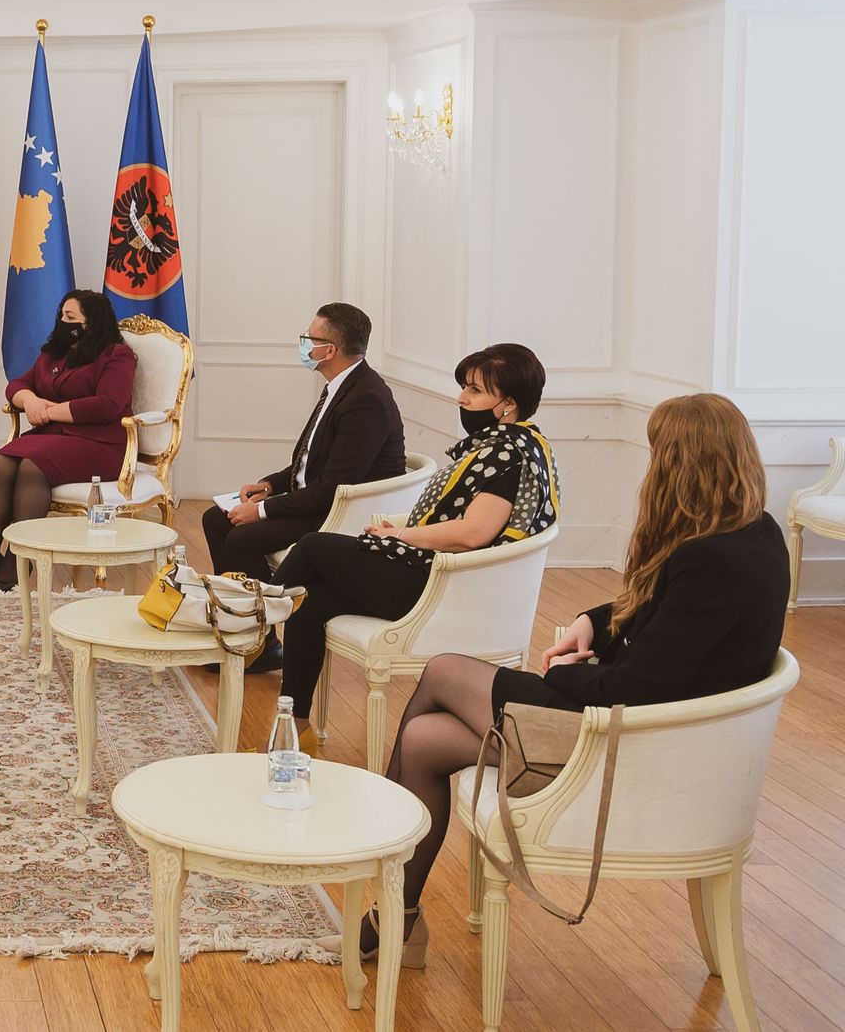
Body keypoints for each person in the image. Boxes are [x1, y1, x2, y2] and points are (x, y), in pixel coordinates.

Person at [326, 392, 786, 967]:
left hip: (630, 741)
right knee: (423, 740)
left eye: (656, 455)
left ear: (681, 464)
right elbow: (668, 619)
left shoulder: (713, 560)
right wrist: (591, 620)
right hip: (639, 725)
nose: (650, 469)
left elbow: (636, 687)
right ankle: (394, 915)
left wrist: (563, 674)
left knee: (443, 670)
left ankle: (380, 867)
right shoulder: (750, 533)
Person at [274, 343, 559, 749]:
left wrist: (401, 536)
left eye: (475, 391)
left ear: (508, 404)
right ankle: (294, 726)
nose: (461, 399)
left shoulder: (509, 454)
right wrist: (402, 528)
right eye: (464, 387)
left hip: (444, 588)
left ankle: (247, 618)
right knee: (309, 602)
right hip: (435, 572)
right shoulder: (504, 444)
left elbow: (473, 533)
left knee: (313, 546)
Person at [204, 302, 406, 673]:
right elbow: (311, 460)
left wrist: (261, 511)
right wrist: (269, 486)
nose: (303, 344)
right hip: (319, 498)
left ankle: (260, 642)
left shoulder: (367, 399)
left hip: (340, 513)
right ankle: (247, 634)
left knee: (242, 537)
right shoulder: (340, 386)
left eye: (309, 339)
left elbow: (332, 488)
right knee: (214, 519)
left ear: (330, 350)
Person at [0, 289, 135, 592]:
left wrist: (51, 411)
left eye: (71, 317)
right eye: (62, 315)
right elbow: (18, 384)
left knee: (32, 466)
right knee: (2, 460)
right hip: (54, 437)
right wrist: (30, 401)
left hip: (100, 444)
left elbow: (108, 404)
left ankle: (17, 562)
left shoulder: (116, 356)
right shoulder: (54, 354)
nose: (62, 322)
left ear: (92, 323)